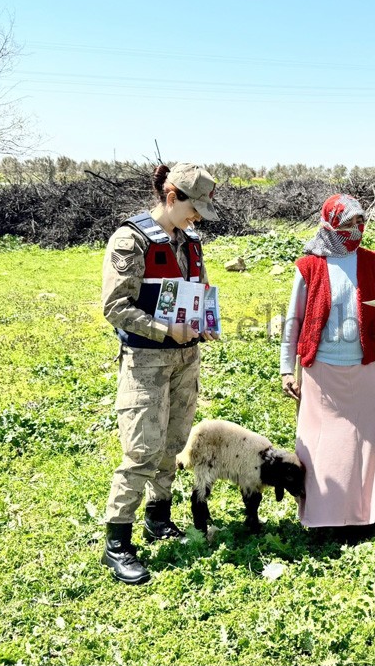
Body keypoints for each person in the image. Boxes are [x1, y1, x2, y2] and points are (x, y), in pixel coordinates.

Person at [99, 162, 222, 585]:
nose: (198, 216)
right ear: (171, 197)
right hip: (147, 361)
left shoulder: (191, 242)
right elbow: (115, 307)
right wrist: (164, 330)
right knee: (142, 450)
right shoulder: (129, 240)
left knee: (173, 442)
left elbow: (199, 293)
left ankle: (158, 515)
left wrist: (206, 324)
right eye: (194, 207)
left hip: (186, 359)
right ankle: (117, 544)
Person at [279, 194, 375, 542]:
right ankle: (327, 518)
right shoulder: (308, 266)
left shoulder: (373, 263)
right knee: (324, 445)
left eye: (361, 222)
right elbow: (293, 322)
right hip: (321, 372)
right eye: (351, 223)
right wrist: (286, 369)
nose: (359, 229)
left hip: (365, 366)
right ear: (331, 225)